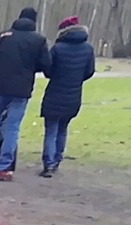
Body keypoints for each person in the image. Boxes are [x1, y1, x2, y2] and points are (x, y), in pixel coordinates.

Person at [0, 6, 51, 181]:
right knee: (12, 127)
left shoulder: (3, 36)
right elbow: (46, 66)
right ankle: (5, 167)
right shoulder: (39, 40)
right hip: (21, 89)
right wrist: (31, 68)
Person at [39, 16, 95, 178]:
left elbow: (48, 70)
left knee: (51, 130)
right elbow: (89, 71)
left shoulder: (57, 48)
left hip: (55, 93)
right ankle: (57, 159)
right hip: (74, 94)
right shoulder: (88, 49)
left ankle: (48, 163)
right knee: (62, 129)